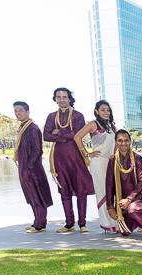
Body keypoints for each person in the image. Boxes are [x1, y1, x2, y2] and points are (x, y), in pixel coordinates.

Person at [43, 87, 94, 233]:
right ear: (55, 99)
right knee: (64, 190)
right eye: (58, 97)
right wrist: (65, 135)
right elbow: (46, 135)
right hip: (59, 158)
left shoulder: (78, 116)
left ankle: (82, 223)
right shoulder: (51, 116)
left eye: (64, 97)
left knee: (80, 191)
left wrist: (57, 131)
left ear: (69, 99)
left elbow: (76, 134)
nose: (61, 100)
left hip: (76, 157)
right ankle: (69, 223)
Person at [73, 100, 117, 233]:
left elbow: (114, 145)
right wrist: (87, 153)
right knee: (102, 191)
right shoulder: (93, 124)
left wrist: (114, 156)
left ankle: (115, 220)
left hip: (109, 163)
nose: (106, 112)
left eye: (108, 110)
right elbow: (77, 137)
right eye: (103, 110)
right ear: (97, 111)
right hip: (97, 162)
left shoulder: (112, 126)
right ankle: (106, 223)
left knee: (112, 191)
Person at [13, 101, 53, 233]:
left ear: (27, 112)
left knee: (38, 196)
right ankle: (37, 220)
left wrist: (28, 166)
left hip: (32, 170)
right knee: (31, 195)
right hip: (25, 167)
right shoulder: (23, 128)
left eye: (20, 110)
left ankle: (40, 224)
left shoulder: (33, 129)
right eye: (16, 111)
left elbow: (37, 150)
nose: (17, 113)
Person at [105, 129, 142, 237]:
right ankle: (137, 221)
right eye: (120, 140)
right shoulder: (113, 161)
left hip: (137, 195)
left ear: (130, 141)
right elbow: (109, 184)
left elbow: (141, 182)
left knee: (133, 210)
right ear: (116, 142)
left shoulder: (138, 159)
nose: (123, 143)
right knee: (125, 233)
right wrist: (110, 206)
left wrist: (129, 199)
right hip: (121, 199)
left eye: (126, 140)